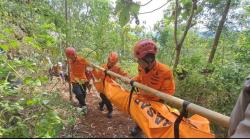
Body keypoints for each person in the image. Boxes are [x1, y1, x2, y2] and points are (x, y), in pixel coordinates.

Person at [130, 39, 175, 136]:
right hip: (142, 98)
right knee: (140, 114)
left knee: (152, 122)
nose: (138, 62)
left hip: (157, 102)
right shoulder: (141, 67)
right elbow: (140, 76)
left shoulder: (165, 71)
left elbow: (169, 92)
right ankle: (138, 127)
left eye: (139, 60)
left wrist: (151, 93)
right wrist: (133, 80)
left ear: (149, 60)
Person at [93, 52, 129, 118]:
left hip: (110, 87)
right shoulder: (103, 67)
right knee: (103, 96)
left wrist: (128, 78)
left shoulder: (117, 68)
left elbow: (123, 74)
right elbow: (97, 76)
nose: (111, 63)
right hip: (102, 86)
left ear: (115, 62)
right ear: (108, 59)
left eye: (113, 63)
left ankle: (110, 110)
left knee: (107, 98)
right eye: (110, 61)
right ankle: (104, 105)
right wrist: (93, 70)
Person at [65, 47, 92, 114]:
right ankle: (84, 106)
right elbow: (69, 69)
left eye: (72, 55)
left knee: (83, 93)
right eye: (69, 56)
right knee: (78, 93)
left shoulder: (81, 59)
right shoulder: (69, 61)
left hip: (82, 79)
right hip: (74, 80)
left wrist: (89, 69)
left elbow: (90, 65)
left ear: (74, 54)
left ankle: (81, 104)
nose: (71, 57)